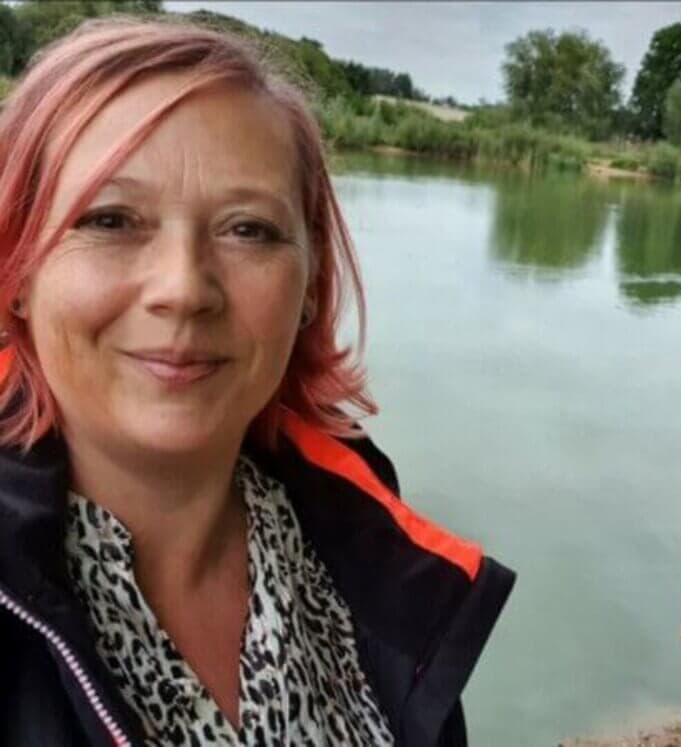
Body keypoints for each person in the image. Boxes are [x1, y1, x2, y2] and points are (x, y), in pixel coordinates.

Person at [0, 17, 514, 747]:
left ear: (310, 281)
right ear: (17, 268)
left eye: (248, 230)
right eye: (110, 220)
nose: (184, 289)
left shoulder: (365, 546)